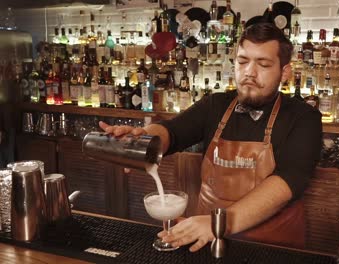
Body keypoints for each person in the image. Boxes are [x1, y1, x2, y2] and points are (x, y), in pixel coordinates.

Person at [100, 22, 322, 252]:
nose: (249, 72)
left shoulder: (304, 118)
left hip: (274, 247)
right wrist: (143, 139)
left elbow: (286, 183)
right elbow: (172, 131)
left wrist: (220, 223)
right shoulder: (216, 105)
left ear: (285, 72)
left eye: (263, 64)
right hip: (207, 239)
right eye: (243, 61)